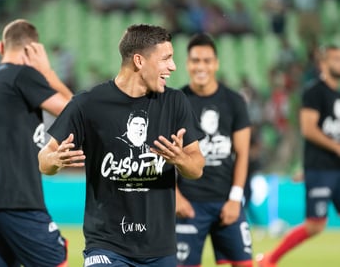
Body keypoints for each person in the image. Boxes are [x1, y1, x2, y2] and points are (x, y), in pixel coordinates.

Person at [38, 24, 205, 267]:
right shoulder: (87, 104)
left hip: (160, 248)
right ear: (139, 61)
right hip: (106, 245)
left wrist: (181, 159)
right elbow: (45, 157)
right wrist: (53, 161)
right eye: (166, 59)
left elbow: (197, 167)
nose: (173, 67)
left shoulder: (175, 103)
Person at [0, 19, 73, 267]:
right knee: (56, 261)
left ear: (0, 47)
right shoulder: (22, 75)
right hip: (16, 197)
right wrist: (48, 72)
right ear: (32, 50)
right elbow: (74, 111)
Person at [256, 44, 340, 267]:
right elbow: (308, 128)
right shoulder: (314, 92)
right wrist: (336, 147)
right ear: (323, 63)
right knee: (315, 225)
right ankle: (270, 258)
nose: (339, 63)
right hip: (321, 168)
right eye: (335, 59)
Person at [175, 33, 253, 267]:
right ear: (187, 64)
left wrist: (235, 200)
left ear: (216, 64)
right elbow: (162, 157)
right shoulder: (176, 102)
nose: (201, 66)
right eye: (196, 60)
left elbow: (242, 154)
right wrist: (175, 197)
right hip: (188, 204)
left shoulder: (234, 102)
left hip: (226, 202)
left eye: (207, 60)